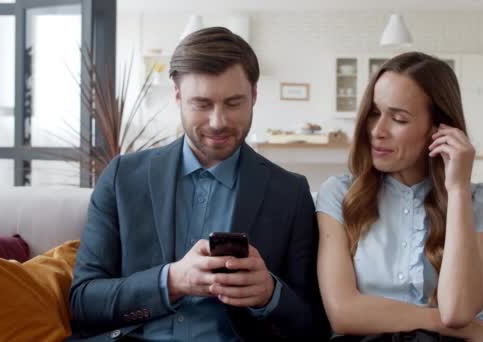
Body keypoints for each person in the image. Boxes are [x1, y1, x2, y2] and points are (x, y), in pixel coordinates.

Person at [69, 27, 329, 341]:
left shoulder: (290, 193)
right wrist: (171, 281)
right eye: (202, 104)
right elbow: (82, 302)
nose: (218, 121)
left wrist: (270, 296)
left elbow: (313, 324)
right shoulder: (123, 176)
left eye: (233, 103)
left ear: (254, 96)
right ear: (177, 97)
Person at [315, 52, 483, 341]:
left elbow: (458, 310)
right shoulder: (339, 193)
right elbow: (343, 312)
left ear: (439, 129)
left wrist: (458, 188)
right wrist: (466, 327)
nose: (377, 131)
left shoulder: (482, 201)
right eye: (374, 113)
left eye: (398, 118)